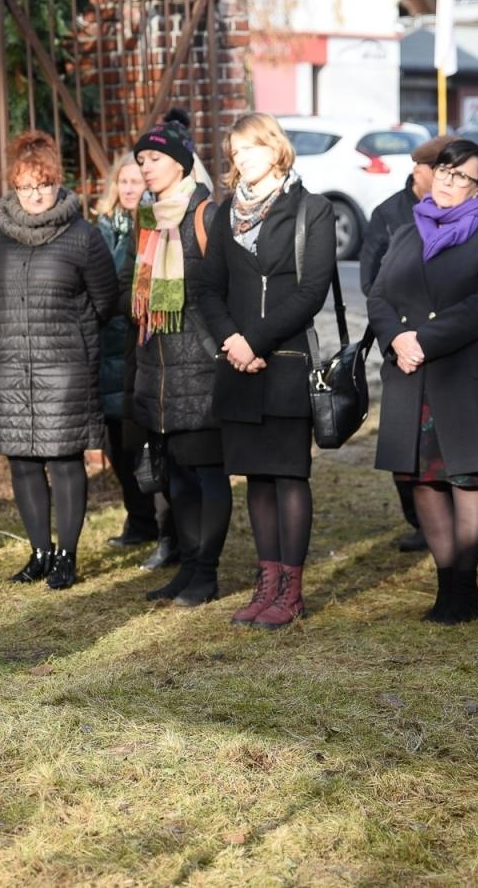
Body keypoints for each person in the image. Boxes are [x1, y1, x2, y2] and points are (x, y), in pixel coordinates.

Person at [195, 113, 335, 628]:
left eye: (249, 149)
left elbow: (310, 292)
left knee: (288, 474)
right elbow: (206, 287)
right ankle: (266, 585)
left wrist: (255, 340)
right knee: (255, 476)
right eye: (234, 153)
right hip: (236, 363)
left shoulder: (311, 211)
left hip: (285, 360)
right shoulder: (225, 213)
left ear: (275, 149)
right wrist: (233, 341)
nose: (241, 160)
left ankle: (291, 592)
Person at [368, 139, 478, 623]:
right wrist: (395, 339)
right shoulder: (411, 226)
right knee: (422, 479)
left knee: (467, 477)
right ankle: (445, 580)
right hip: (412, 374)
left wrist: (423, 339)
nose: (449, 182)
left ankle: (464, 585)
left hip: (465, 372)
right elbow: (379, 294)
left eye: (462, 177)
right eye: (445, 172)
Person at [0, 129, 117, 590]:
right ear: (13, 187)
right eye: (26, 185)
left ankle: (67, 555)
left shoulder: (82, 237)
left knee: (63, 459)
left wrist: (71, 340)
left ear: (58, 183)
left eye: (44, 184)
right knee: (21, 460)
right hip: (9, 366)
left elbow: (105, 301)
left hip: (64, 369)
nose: (36, 194)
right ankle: (38, 552)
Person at [125, 115, 232, 607]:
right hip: (159, 369)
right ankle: (186, 568)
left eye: (155, 159)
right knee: (179, 479)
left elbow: (223, 291)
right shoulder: (147, 219)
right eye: (141, 160)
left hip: (202, 367)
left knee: (207, 473)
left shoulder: (206, 214)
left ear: (182, 163)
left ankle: (206, 573)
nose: (146, 168)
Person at [360, 134, 451, 554]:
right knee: (403, 449)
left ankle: (446, 514)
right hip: (401, 347)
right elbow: (371, 282)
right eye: (440, 171)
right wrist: (396, 339)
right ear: (421, 171)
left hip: (442, 345)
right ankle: (418, 519)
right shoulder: (389, 215)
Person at [95, 153, 172, 555]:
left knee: (139, 443)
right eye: (122, 182)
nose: (128, 189)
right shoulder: (102, 229)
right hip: (105, 349)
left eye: (135, 181)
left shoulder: (152, 226)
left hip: (137, 347)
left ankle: (160, 523)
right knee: (115, 444)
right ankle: (137, 518)